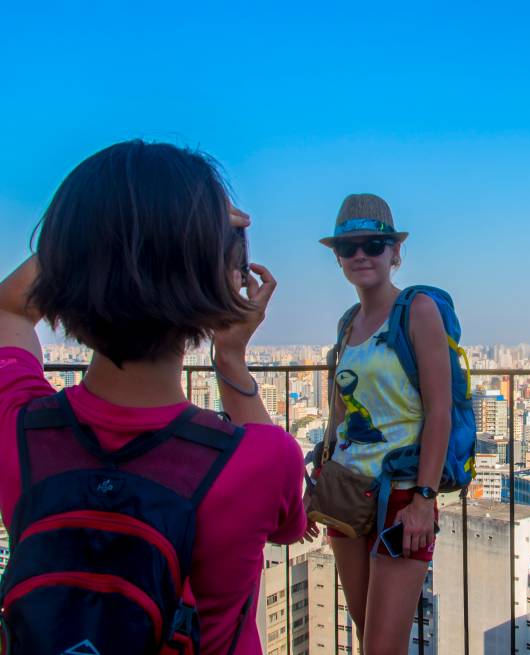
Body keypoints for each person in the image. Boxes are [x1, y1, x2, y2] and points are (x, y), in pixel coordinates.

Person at [0, 140, 306, 653]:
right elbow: (289, 527)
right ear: (215, 291)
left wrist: (107, 224)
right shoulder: (261, 459)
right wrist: (230, 355)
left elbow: (9, 309)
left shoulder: (19, 433)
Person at [308, 194, 452, 655]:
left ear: (395, 252)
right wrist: (320, 478)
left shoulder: (418, 311)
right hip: (348, 489)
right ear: (338, 258)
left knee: (383, 646)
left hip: (402, 493)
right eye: (348, 248)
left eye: (373, 244)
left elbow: (440, 412)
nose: (360, 255)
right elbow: (339, 413)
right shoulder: (347, 323)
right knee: (367, 631)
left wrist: (425, 500)